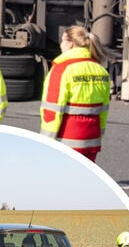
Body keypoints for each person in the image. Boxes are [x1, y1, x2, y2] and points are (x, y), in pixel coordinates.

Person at [40, 25, 111, 162]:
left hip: (66, 138)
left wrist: (46, 141)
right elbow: (104, 110)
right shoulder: (101, 71)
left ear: (71, 43)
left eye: (62, 41)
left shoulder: (62, 70)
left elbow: (52, 111)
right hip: (92, 139)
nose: (60, 45)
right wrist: (99, 134)